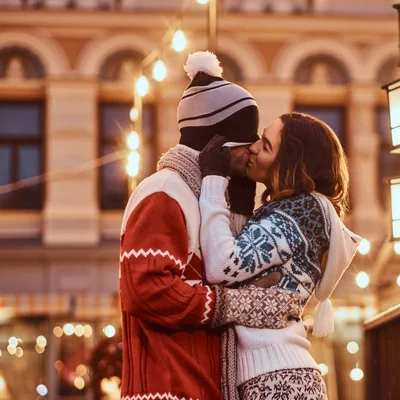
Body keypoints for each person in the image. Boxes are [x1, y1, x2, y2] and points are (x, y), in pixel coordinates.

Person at [119, 52, 302, 400]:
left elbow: (226, 269)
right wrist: (233, 304)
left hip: (196, 386)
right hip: (170, 388)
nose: (251, 151)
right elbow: (147, 290)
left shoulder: (200, 196)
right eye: (246, 142)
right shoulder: (164, 191)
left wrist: (240, 206)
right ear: (218, 142)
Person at [198, 112, 362, 399]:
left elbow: (222, 264)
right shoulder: (290, 210)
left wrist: (212, 181)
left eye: (265, 145)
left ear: (290, 163)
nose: (253, 148)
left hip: (278, 380)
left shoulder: (302, 210)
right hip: (273, 376)